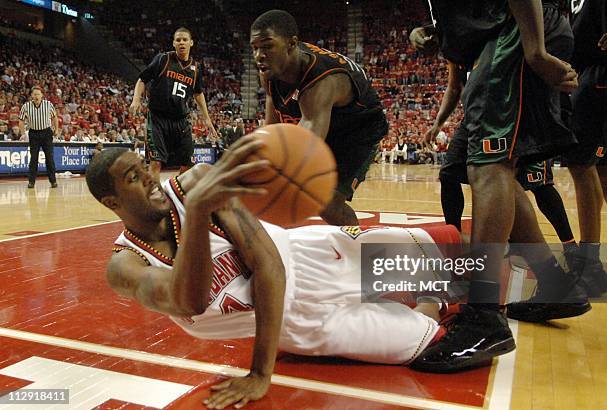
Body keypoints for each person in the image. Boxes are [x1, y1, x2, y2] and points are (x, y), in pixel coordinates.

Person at [86, 139, 462, 408]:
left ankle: (437, 292)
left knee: (465, 262)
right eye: (133, 178)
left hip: (315, 260)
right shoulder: (125, 266)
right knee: (431, 347)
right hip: (296, 325)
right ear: (112, 203)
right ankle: (431, 306)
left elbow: (270, 266)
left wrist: (260, 373)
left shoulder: (196, 184)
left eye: (145, 166)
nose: (150, 178)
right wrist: (199, 215)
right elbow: (191, 301)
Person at [409, 0, 590, 373]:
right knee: (478, 166)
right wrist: (438, 34)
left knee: (488, 166)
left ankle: (483, 314)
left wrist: (536, 50)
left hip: (518, 31)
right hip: (503, 39)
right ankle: (556, 284)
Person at [251, 10, 389, 226]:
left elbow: (307, 145)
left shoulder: (322, 80)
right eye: (255, 48)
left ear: (291, 44)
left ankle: (357, 248)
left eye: (267, 46)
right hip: (329, 121)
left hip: (360, 131)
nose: (259, 55)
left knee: (327, 202)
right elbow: (272, 123)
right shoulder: (268, 71)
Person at [429, 61, 577, 255]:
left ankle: (570, 247)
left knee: (539, 184)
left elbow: (540, 52)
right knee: (450, 173)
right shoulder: (457, 44)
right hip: (476, 117)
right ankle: (455, 239)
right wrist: (438, 122)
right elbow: (454, 86)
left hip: (518, 111)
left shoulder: (506, 37)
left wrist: (556, 70)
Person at [559, 0, 607, 296]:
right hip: (588, 74)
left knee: (583, 165)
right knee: (602, 172)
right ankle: (590, 263)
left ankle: (589, 265)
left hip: (601, 74)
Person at [129, 27, 219, 181]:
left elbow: (198, 93)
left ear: (191, 43)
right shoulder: (163, 59)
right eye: (178, 40)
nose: (181, 42)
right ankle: (153, 199)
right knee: (155, 163)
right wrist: (136, 99)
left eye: (185, 39)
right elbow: (142, 79)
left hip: (181, 121)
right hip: (158, 119)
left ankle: (174, 195)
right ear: (173, 43)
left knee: (187, 164)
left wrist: (207, 119)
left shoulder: (196, 68)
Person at [19, 86, 58, 189]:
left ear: (42, 95)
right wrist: (23, 133)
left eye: (38, 94)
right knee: (34, 159)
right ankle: (31, 181)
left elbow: (55, 117)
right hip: (34, 134)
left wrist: (56, 129)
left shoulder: (48, 104)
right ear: (32, 95)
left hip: (46, 133)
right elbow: (21, 120)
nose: (36, 96)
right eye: (34, 94)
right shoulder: (26, 106)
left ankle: (53, 181)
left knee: (49, 158)